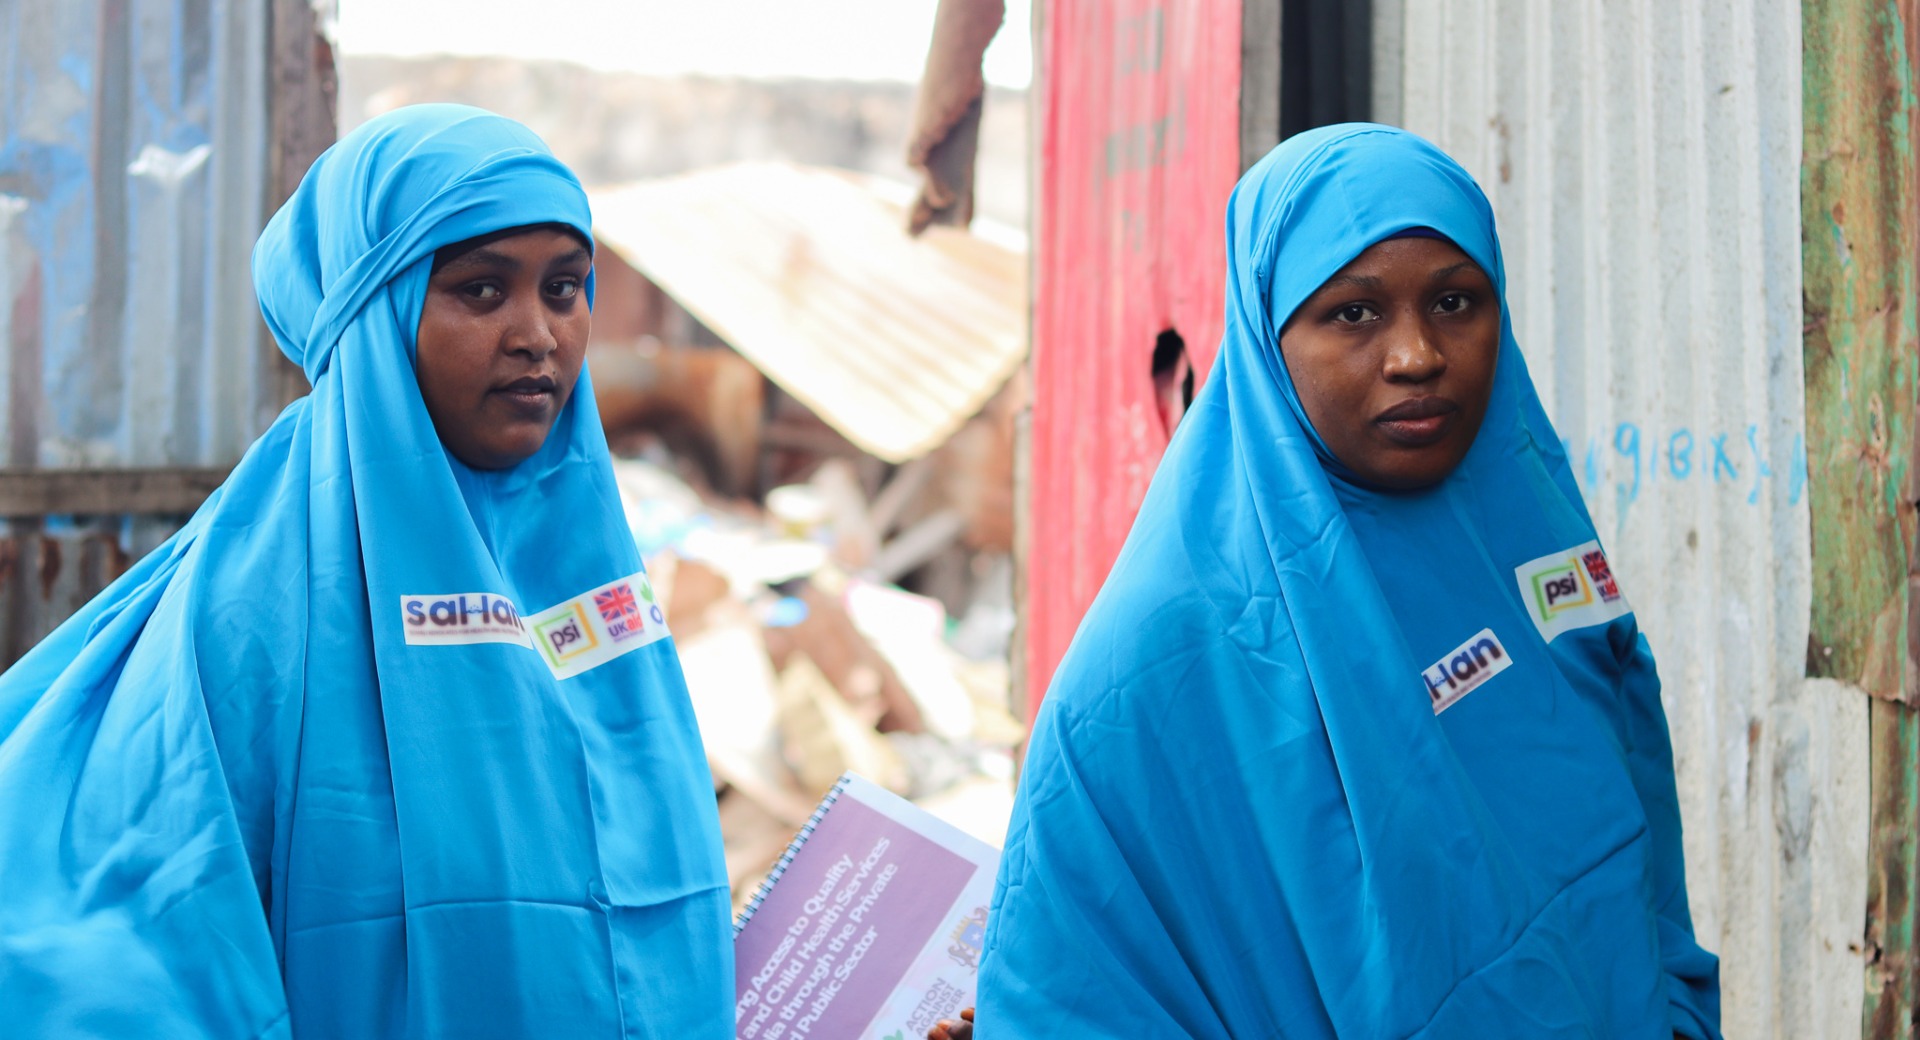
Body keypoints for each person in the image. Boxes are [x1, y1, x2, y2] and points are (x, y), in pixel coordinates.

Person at [969, 125, 1721, 1038]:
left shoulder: (1526, 541)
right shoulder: (1157, 662)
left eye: (1455, 301)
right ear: (1265, 335)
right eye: (1354, 314)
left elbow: (1638, 860)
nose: (1416, 355)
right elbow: (1074, 986)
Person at [0, 105, 732, 1037]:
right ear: (377, 312)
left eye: (564, 287)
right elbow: (118, 937)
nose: (538, 334)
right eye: (479, 290)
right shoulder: (256, 602)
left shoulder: (594, 588)